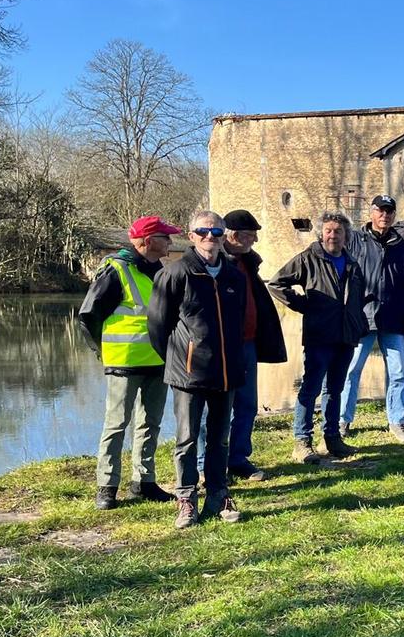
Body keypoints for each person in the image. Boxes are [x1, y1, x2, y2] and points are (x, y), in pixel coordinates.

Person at [147, 211, 247, 529]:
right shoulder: (176, 273)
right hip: (188, 372)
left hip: (226, 372)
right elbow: (158, 325)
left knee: (219, 438)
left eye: (216, 232)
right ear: (191, 236)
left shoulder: (234, 276)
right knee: (188, 439)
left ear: (223, 237)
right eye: (203, 231)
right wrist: (179, 360)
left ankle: (218, 495)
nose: (209, 237)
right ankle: (186, 499)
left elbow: (239, 323)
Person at [78, 214, 180, 510]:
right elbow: (89, 316)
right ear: (147, 241)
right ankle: (106, 487)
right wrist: (103, 352)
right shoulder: (116, 270)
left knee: (150, 423)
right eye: (164, 237)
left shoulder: (160, 271)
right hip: (123, 362)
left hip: (157, 360)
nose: (170, 241)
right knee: (116, 424)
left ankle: (144, 482)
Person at [267, 212, 368, 464]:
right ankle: (302, 441)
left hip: (345, 336)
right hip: (319, 335)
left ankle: (332, 439)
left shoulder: (352, 263)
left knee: (335, 389)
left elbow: (358, 298)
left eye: (338, 231)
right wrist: (306, 306)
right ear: (321, 233)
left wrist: (357, 323)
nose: (333, 235)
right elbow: (277, 284)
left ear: (346, 235)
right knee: (310, 388)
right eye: (328, 231)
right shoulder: (309, 258)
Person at [199, 210, 289, 483]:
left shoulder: (247, 262)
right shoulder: (214, 262)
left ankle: (238, 458)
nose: (255, 240)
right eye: (251, 235)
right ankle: (206, 465)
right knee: (213, 409)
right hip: (221, 346)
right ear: (234, 236)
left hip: (248, 344)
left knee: (247, 405)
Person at [339, 194, 404, 442]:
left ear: (394, 215)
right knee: (351, 370)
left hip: (393, 318)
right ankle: (342, 420)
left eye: (389, 211)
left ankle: (396, 420)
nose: (384, 215)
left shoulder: (402, 245)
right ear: (371, 212)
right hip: (362, 317)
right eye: (380, 210)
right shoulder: (355, 240)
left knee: (398, 373)